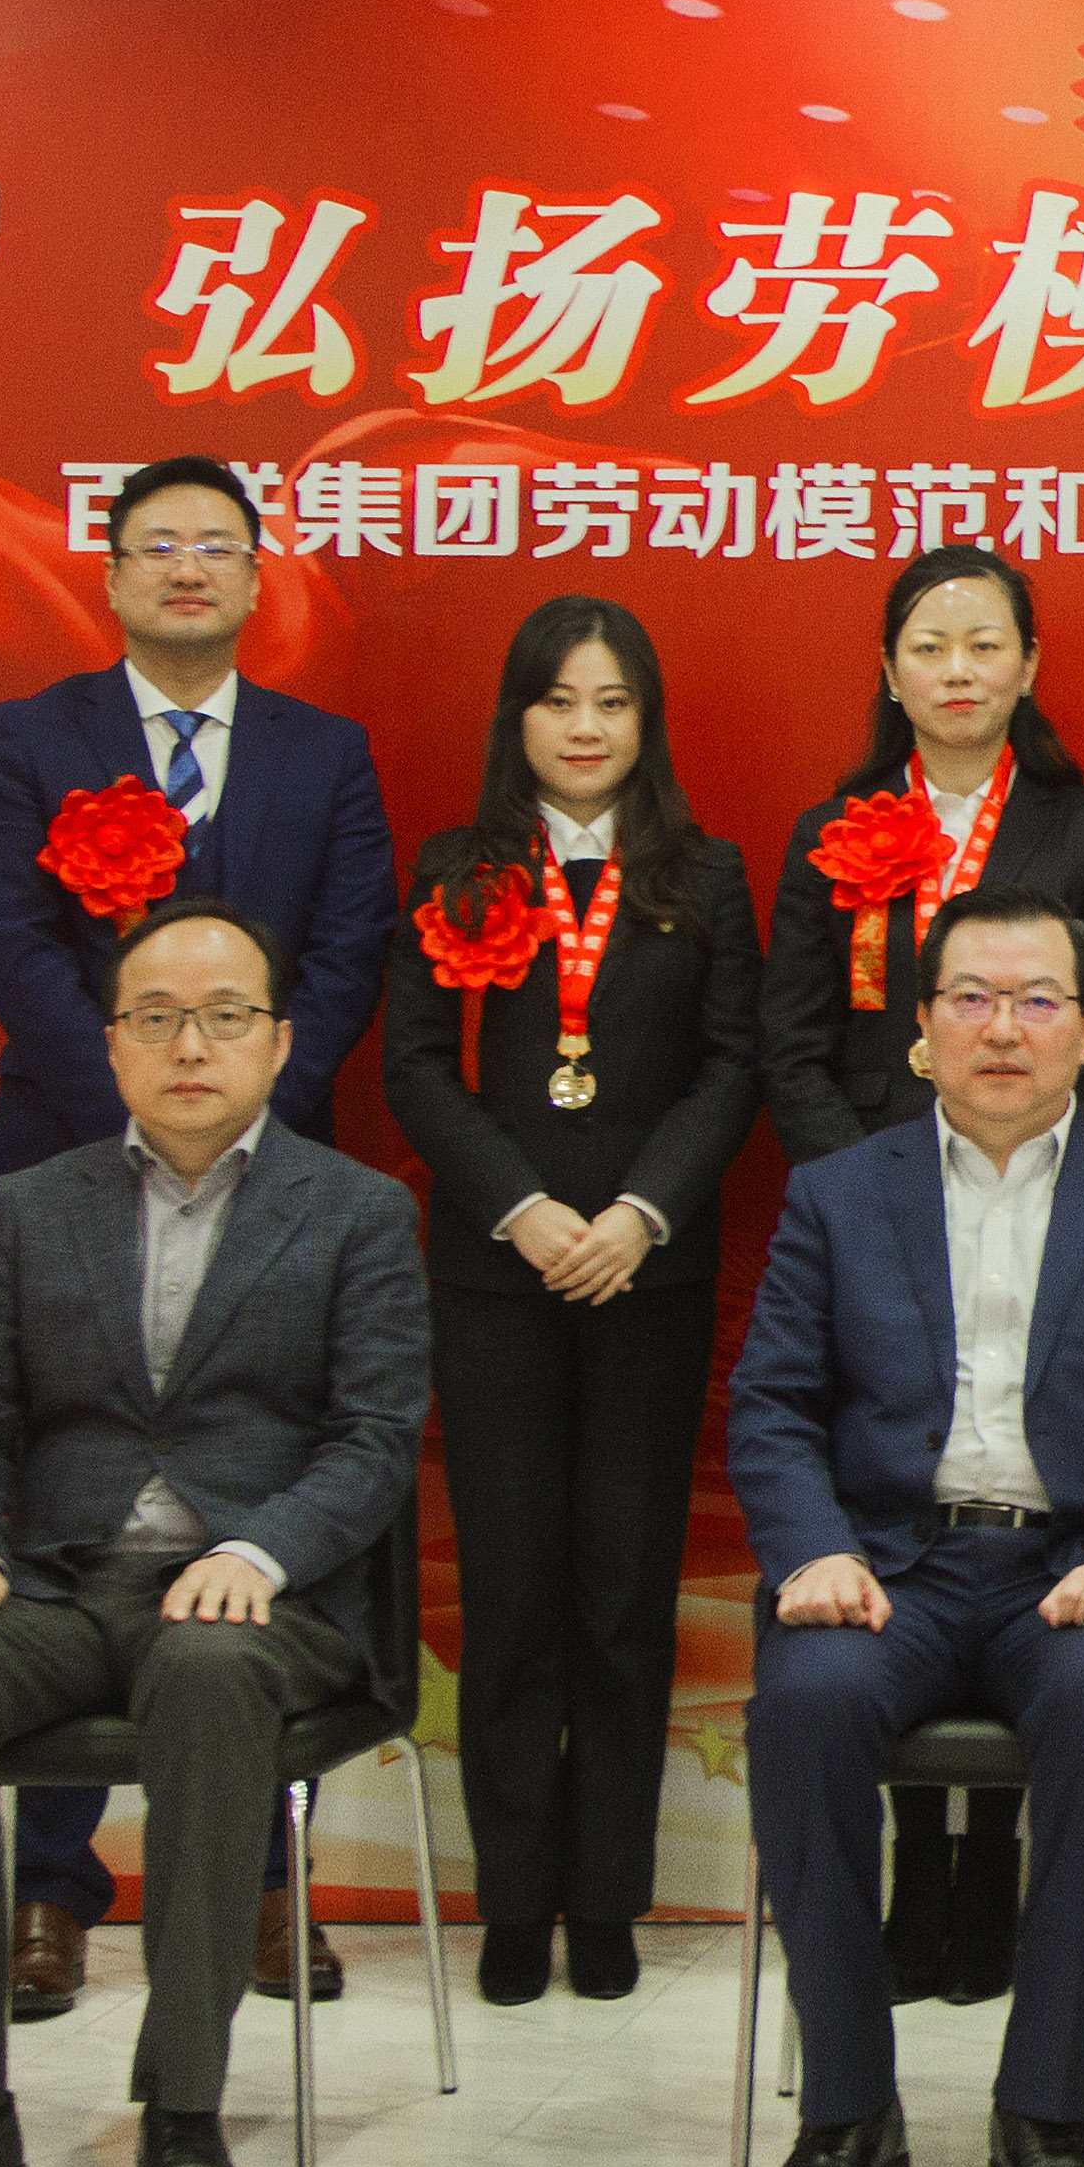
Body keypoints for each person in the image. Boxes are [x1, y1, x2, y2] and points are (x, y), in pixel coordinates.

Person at [0, 902, 430, 2167]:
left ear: (279, 1042)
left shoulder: (358, 1213)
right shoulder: (32, 1208)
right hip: (58, 1585)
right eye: (156, 1019)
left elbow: (375, 1439)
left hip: (264, 1600)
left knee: (210, 1672)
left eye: (225, 1016)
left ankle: (182, 2112)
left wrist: (256, 1549)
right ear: (110, 1047)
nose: (190, 1047)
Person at [0, 454, 397, 2019]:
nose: (188, 567)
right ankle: (51, 1890)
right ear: (113, 574)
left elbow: (348, 946)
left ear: (260, 576)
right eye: (158, 545)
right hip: (67, 1160)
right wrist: (139, 1103)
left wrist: (246, 1098)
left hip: (277, 1187)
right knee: (62, 1505)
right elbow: (10, 940)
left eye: (217, 544)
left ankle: (263, 1884)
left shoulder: (323, 754)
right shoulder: (33, 739)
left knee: (257, 1496)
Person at [728, 886, 1084, 2167]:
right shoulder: (840, 1192)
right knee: (807, 1706)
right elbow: (771, 1404)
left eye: (1036, 1001)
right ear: (923, 1027)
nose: (1002, 1030)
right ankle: (849, 2108)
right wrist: (813, 1552)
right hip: (886, 1571)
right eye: (971, 999)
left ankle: (1045, 2108)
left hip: (1072, 1569)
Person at [758, 543, 1084, 2007]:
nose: (961, 670)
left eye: (987, 644)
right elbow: (792, 1032)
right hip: (878, 1229)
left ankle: (995, 1881)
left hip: (1035, 1201)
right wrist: (873, 1196)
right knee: (897, 1526)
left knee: (1016, 1546)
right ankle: (922, 1874)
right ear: (890, 670)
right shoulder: (834, 827)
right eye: (931, 645)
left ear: (1028, 666)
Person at [379, 597, 760, 2006]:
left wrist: (638, 1213)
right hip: (499, 1273)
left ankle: (606, 1901)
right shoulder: (459, 869)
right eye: (558, 701)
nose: (586, 728)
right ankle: (512, 1902)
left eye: (612, 702)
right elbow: (416, 1064)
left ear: (646, 721)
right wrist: (524, 1209)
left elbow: (732, 1066)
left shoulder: (704, 874)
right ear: (518, 719)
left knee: (623, 1592)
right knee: (511, 1592)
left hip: (650, 1272)